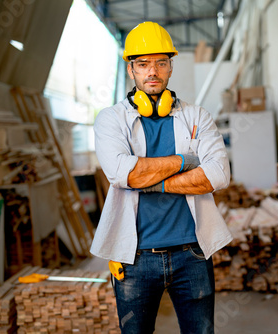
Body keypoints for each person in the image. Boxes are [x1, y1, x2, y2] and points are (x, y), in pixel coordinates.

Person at [91, 21, 233, 333]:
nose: (152, 71)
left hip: (192, 253)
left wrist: (146, 179)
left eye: (161, 63)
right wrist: (186, 161)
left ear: (170, 68)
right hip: (135, 257)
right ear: (131, 70)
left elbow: (219, 175)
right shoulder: (111, 120)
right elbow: (120, 173)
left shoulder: (196, 116)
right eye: (143, 64)